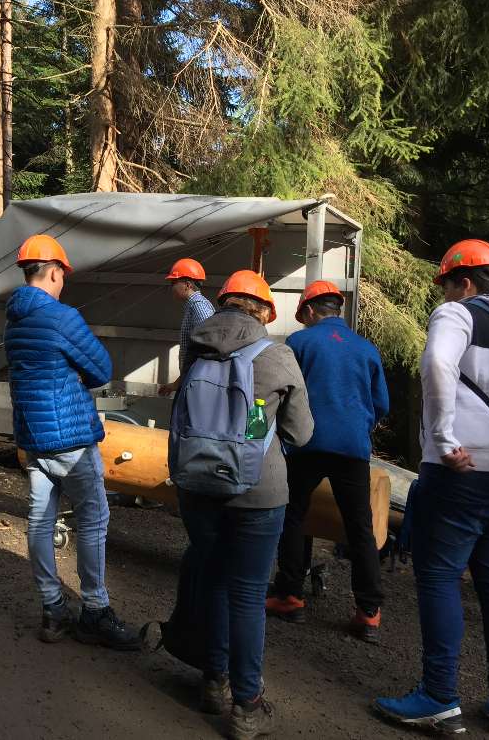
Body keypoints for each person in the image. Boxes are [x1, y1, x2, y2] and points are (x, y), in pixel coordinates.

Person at [375, 239, 489, 740]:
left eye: (448, 285)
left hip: (462, 472)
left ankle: (438, 696)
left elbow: (436, 364)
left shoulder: (458, 315)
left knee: (439, 577)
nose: (446, 294)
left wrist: (445, 436)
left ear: (465, 282)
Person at [175, 269, 313, 739]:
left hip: (196, 484)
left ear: (223, 303)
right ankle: (247, 704)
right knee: (249, 594)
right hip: (258, 492)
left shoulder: (194, 347)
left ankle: (213, 681)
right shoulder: (278, 355)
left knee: (212, 579)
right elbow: (300, 432)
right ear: (266, 312)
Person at [3, 234, 140, 651]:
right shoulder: (62, 317)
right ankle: (95, 610)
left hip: (33, 435)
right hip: (70, 437)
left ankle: (52, 609)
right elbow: (100, 369)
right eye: (63, 275)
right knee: (94, 518)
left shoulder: (14, 319)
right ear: (55, 272)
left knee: (41, 521)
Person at [266, 280, 389, 643]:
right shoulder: (366, 349)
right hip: (352, 446)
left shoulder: (300, 342)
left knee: (292, 513)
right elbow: (381, 403)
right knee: (359, 526)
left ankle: (290, 594)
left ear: (308, 311)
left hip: (308, 442)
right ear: (338, 310)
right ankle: (369, 612)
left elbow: (284, 392)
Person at [158, 258, 216, 396]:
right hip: (194, 379)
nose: (171, 287)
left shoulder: (198, 306)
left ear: (188, 285)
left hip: (198, 382)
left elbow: (210, 346)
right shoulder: (194, 306)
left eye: (174, 283)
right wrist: (177, 384)